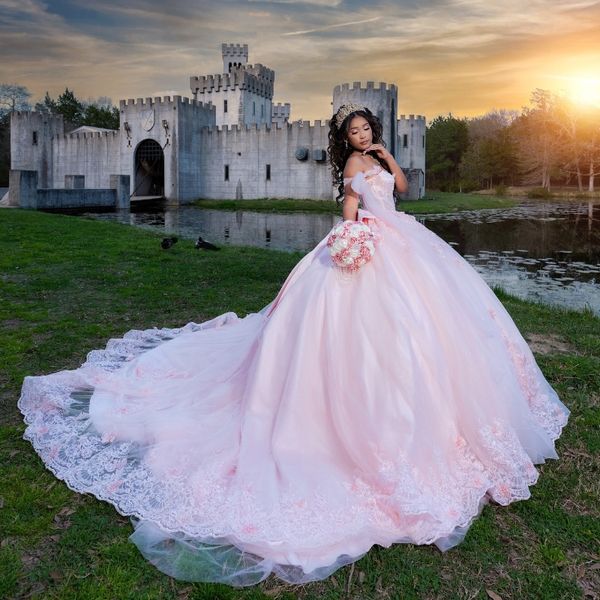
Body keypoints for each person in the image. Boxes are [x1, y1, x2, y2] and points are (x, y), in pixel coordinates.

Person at [19, 104, 569, 587]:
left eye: (365, 129)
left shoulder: (378, 161)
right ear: (344, 142)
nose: (359, 137)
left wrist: (389, 156)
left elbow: (403, 193)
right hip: (373, 249)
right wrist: (351, 241)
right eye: (353, 132)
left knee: (433, 328)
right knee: (362, 338)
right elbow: (352, 216)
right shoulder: (354, 170)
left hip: (409, 247)